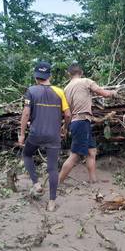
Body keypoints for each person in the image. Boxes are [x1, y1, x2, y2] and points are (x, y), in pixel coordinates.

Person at [18, 61, 71, 211]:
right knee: (53, 169)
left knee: (27, 154)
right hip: (53, 136)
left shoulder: (31, 91)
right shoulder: (60, 92)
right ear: (50, 76)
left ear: (36, 76)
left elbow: (26, 113)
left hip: (36, 133)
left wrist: (22, 134)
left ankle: (36, 183)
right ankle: (52, 202)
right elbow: (67, 114)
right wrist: (64, 128)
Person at [59, 63, 117, 184]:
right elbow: (103, 93)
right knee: (75, 155)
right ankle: (59, 182)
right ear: (81, 73)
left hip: (78, 122)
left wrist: (65, 126)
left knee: (92, 151)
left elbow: (67, 111)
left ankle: (93, 180)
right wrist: (113, 93)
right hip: (81, 122)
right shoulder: (86, 81)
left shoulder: (66, 88)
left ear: (68, 74)